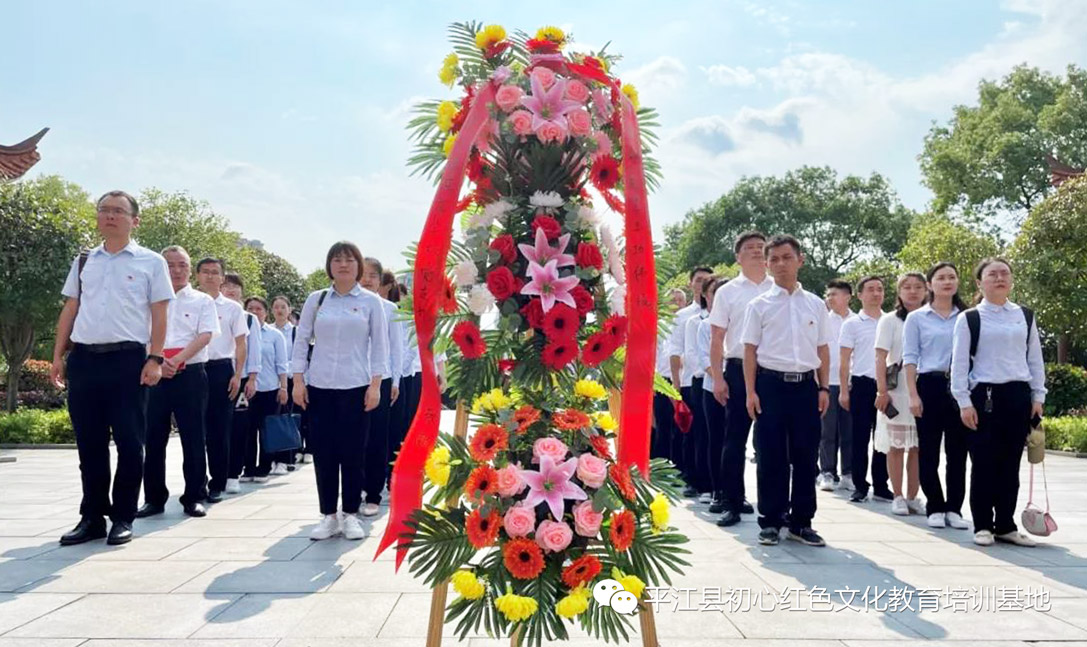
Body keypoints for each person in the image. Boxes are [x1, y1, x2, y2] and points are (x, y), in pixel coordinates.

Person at [52, 191, 174, 546]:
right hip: (85, 360)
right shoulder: (84, 260)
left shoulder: (151, 262)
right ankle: (91, 517)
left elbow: (160, 313)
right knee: (89, 443)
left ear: (134, 220)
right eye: (104, 210)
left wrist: (156, 357)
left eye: (118, 211)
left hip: (128, 362)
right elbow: (70, 309)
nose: (109, 216)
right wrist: (58, 355)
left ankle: (123, 516)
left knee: (129, 441)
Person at [292, 241, 389, 541]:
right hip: (319, 387)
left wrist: (376, 386)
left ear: (359, 266)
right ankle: (327, 515)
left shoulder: (371, 302)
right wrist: (298, 380)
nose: (343, 264)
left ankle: (350, 514)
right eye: (337, 260)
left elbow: (380, 348)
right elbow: (301, 340)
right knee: (323, 452)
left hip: (356, 387)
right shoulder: (317, 299)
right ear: (329, 265)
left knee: (353, 452)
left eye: (349, 259)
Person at [741, 235, 830, 547]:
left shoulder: (816, 304)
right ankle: (771, 520)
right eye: (774, 259)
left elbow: (822, 348)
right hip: (770, 386)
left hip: (806, 386)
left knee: (807, 456)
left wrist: (823, 387)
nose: (780, 264)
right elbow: (749, 351)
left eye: (786, 257)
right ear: (767, 264)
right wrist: (751, 392)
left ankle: (802, 522)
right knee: (770, 455)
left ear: (800, 260)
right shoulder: (759, 305)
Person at [951, 258, 1046, 547]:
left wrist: (1037, 396)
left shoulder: (1025, 316)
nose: (999, 278)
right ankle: (982, 525)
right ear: (980, 282)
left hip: (1018, 395)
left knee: (1010, 464)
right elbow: (958, 363)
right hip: (984, 397)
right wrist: (964, 402)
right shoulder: (970, 318)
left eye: (1004, 273)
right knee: (983, 462)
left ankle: (1005, 523)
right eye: (992, 274)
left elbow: (1034, 358)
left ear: (1012, 279)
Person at [139, 246, 220, 519]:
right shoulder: (148, 299)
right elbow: (141, 334)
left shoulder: (201, 300)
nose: (176, 270)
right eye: (170, 265)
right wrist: (159, 362)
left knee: (194, 436)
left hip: (191, 374)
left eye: (182, 265)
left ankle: (195, 496)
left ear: (190, 269)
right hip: (154, 374)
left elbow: (205, 335)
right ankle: (153, 498)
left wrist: (176, 361)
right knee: (153, 437)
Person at [708, 231, 771, 527]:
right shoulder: (728, 292)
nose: (757, 251)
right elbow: (717, 337)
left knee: (772, 442)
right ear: (738, 256)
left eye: (761, 247)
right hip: (735, 369)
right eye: (750, 248)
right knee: (734, 439)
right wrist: (718, 379)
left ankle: (773, 506)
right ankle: (731, 501)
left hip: (772, 370)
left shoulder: (781, 288)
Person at [904, 262, 970, 530]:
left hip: (961, 388)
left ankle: (954, 507)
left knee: (958, 451)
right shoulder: (917, 318)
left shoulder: (968, 316)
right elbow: (910, 358)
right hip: (929, 386)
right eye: (941, 278)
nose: (947, 282)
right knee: (928, 450)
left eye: (952, 277)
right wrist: (912, 395)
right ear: (930, 284)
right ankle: (935, 505)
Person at [197, 257, 251, 503]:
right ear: (197, 275)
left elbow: (241, 344)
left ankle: (217, 481)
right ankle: (195, 484)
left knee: (219, 430)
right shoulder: (186, 302)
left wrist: (238, 375)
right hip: (191, 369)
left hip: (221, 370)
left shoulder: (233, 309)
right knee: (194, 430)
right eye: (205, 272)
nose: (210, 276)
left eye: (215, 272)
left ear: (222, 277)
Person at [874, 273, 926, 516]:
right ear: (899, 292)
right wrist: (882, 390)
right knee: (896, 446)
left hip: (924, 389)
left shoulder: (931, 318)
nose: (912, 291)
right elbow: (880, 357)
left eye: (918, 287)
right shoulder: (890, 321)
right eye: (907, 287)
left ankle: (914, 496)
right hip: (897, 391)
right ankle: (897, 495)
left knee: (917, 447)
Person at [840, 276, 892, 504]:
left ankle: (882, 485)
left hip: (887, 387)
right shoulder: (852, 324)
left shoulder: (890, 321)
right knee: (859, 438)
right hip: (861, 385)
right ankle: (860, 485)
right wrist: (843, 390)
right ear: (859, 295)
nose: (876, 293)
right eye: (870, 289)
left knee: (884, 437)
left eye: (880, 289)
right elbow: (844, 361)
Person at [360, 257, 403, 515]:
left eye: (373, 275)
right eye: (363, 274)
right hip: (351, 380)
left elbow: (396, 349)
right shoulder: (344, 306)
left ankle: (373, 494)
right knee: (353, 440)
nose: (367, 279)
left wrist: (395, 379)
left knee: (377, 438)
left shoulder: (389, 309)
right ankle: (355, 489)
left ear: (380, 281)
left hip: (382, 380)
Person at [668, 267, 713, 497]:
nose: (703, 284)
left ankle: (712, 482)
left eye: (708, 280)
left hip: (716, 380)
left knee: (711, 434)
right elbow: (675, 351)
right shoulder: (683, 317)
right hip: (690, 380)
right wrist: (675, 384)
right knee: (692, 432)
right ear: (691, 284)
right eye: (699, 280)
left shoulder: (720, 312)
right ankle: (692, 479)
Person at [221, 273, 263, 487]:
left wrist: (252, 378)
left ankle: (232, 474)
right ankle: (217, 472)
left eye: (235, 286)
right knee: (217, 427)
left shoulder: (248, 318)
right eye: (227, 285)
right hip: (216, 374)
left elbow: (254, 350)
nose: (231, 289)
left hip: (241, 377)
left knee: (239, 426)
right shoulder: (209, 309)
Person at [243, 297, 289, 480]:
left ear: (265, 312)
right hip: (246, 388)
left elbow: (282, 363)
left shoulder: (274, 335)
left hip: (269, 388)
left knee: (266, 430)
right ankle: (248, 467)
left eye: (259, 308)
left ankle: (264, 466)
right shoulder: (240, 332)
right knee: (247, 430)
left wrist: (283, 387)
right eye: (250, 308)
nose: (254, 312)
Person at [818, 279, 854, 492]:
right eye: (828, 294)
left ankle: (848, 472)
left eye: (834, 294)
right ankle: (827, 472)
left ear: (847, 297)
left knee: (849, 431)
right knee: (827, 430)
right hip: (828, 382)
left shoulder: (857, 320)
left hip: (852, 383)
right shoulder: (823, 321)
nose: (830, 298)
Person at [697, 276, 729, 513]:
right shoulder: (704, 324)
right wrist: (721, 378)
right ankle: (718, 489)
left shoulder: (742, 320)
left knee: (736, 443)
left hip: (742, 387)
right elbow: (703, 358)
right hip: (713, 388)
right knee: (716, 439)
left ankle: (735, 492)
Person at [683, 282, 711, 502]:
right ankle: (703, 484)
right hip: (702, 381)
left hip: (727, 381)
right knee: (702, 434)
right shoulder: (694, 320)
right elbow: (691, 354)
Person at [652, 289, 686, 463]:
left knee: (682, 427)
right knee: (664, 425)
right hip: (663, 381)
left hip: (684, 381)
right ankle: (662, 465)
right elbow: (653, 357)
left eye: (680, 300)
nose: (677, 304)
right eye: (673, 300)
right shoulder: (659, 326)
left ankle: (681, 466)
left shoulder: (689, 321)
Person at [270, 295, 298, 472]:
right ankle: (271, 458)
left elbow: (298, 356)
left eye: (283, 307)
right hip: (271, 379)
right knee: (272, 419)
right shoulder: (267, 330)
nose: (279, 310)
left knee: (287, 418)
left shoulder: (295, 331)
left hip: (289, 378)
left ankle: (287, 458)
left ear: (289, 310)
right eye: (276, 307)